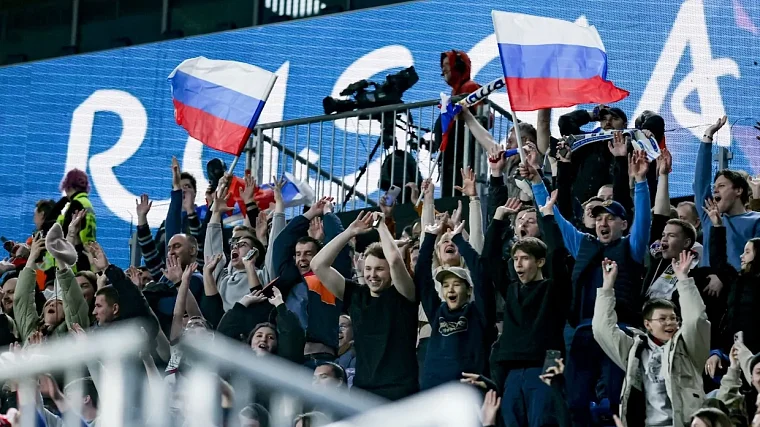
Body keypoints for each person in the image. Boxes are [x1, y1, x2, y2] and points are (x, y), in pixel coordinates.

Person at [531, 150, 652, 426]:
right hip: (583, 331)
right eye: (598, 218)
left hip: (619, 330)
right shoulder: (583, 244)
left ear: (624, 224)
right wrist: (537, 183)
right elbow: (553, 217)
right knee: (576, 402)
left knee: (616, 400)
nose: (602, 223)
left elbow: (644, 220)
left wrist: (641, 182)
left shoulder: (631, 247)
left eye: (610, 218)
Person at [592, 253, 710, 427]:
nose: (670, 323)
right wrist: (607, 286)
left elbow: (695, 320)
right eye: (662, 319)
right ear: (647, 324)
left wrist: (684, 280)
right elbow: (602, 328)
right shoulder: (635, 351)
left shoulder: (689, 349)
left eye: (674, 318)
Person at [310, 211, 418, 400]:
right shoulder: (355, 294)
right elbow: (318, 265)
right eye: (368, 269)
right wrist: (350, 232)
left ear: (391, 272)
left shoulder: (404, 294)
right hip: (364, 392)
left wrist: (381, 225)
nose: (372, 275)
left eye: (379, 269)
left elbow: (394, 259)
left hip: (399, 393)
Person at [415, 217, 495, 390]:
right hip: (435, 391)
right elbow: (422, 278)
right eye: (445, 285)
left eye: (457, 284)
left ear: (469, 290)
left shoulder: (479, 314)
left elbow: (482, 277)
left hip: (467, 391)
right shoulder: (438, 312)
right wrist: (429, 238)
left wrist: (460, 240)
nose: (450, 289)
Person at [272, 196, 351, 366]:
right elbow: (281, 244)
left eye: (308, 253)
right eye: (298, 254)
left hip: (321, 359)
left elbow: (338, 243)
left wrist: (328, 213)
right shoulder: (289, 279)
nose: (302, 258)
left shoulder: (330, 280)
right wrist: (310, 213)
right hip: (288, 361)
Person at [695, 116, 760, 269]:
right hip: (706, 283)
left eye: (722, 185)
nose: (715, 190)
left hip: (739, 282)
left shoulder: (756, 220)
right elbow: (700, 182)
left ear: (738, 190)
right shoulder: (710, 216)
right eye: (714, 187)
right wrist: (708, 136)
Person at [437, 49, 482, 196]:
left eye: (447, 64)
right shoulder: (455, 93)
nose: (443, 69)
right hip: (452, 158)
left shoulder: (470, 87)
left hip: (462, 158)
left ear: (458, 66)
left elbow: (485, 118)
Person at [57, 169, 97, 244]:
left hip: (76, 248)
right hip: (88, 248)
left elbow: (65, 233)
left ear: (68, 186)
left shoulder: (76, 204)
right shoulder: (87, 203)